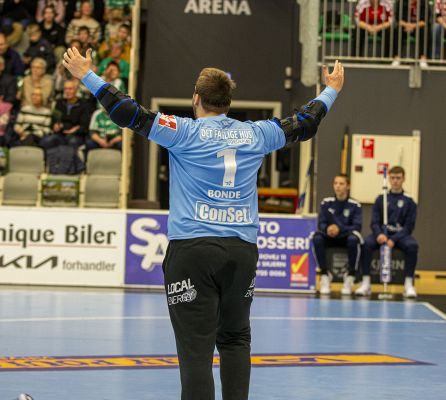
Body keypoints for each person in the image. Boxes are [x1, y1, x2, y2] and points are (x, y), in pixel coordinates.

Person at [63, 46, 344, 400]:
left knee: (196, 349)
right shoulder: (257, 134)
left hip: (192, 251)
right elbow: (305, 123)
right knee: (236, 339)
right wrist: (331, 89)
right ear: (228, 102)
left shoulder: (182, 131)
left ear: (196, 98)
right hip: (241, 252)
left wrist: (87, 75)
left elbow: (127, 112)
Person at [356, 166, 418, 298]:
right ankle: (365, 282)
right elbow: (374, 222)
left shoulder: (409, 201)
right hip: (382, 234)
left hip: (400, 236)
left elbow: (409, 226)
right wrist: (379, 234)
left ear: (403, 179)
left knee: (412, 245)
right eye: (393, 178)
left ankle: (408, 284)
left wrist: (394, 239)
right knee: (366, 244)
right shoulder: (381, 199)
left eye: (398, 178)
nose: (395, 181)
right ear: (389, 179)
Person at [313, 174, 363, 295]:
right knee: (317, 238)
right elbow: (321, 223)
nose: (338, 186)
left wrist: (339, 229)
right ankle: (324, 275)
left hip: (346, 236)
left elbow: (357, 226)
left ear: (348, 186)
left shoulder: (355, 205)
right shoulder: (326, 203)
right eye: (335, 183)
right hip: (330, 236)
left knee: (354, 239)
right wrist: (327, 228)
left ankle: (350, 276)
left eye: (341, 184)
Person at [41, 78, 89, 149]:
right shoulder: (59, 103)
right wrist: (55, 125)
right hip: (60, 134)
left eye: (70, 89)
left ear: (76, 90)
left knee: (72, 141)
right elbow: (53, 121)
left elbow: (84, 126)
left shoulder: (83, 105)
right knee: (46, 141)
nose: (67, 91)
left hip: (76, 135)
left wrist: (75, 130)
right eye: (65, 89)